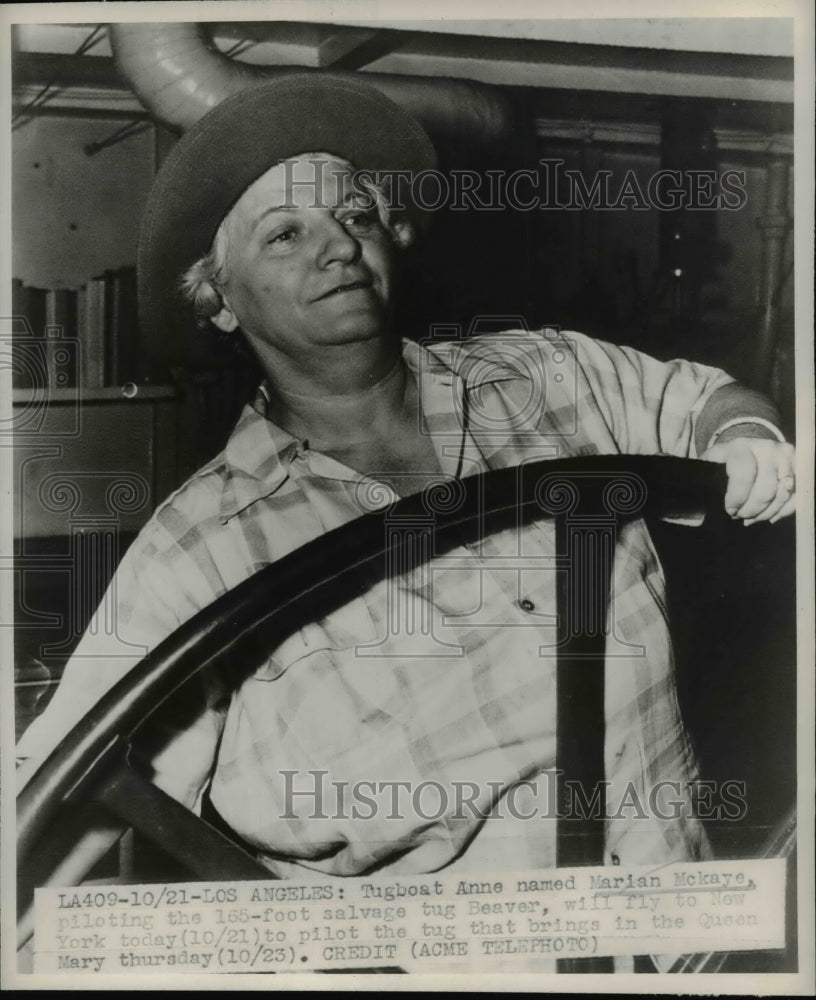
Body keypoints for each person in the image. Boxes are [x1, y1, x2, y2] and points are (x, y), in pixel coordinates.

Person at [17, 74, 795, 963]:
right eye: (286, 234)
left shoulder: (543, 375)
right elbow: (57, 800)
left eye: (354, 216)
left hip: (693, 945)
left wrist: (748, 438)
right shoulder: (199, 550)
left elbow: (704, 400)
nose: (339, 248)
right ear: (219, 300)